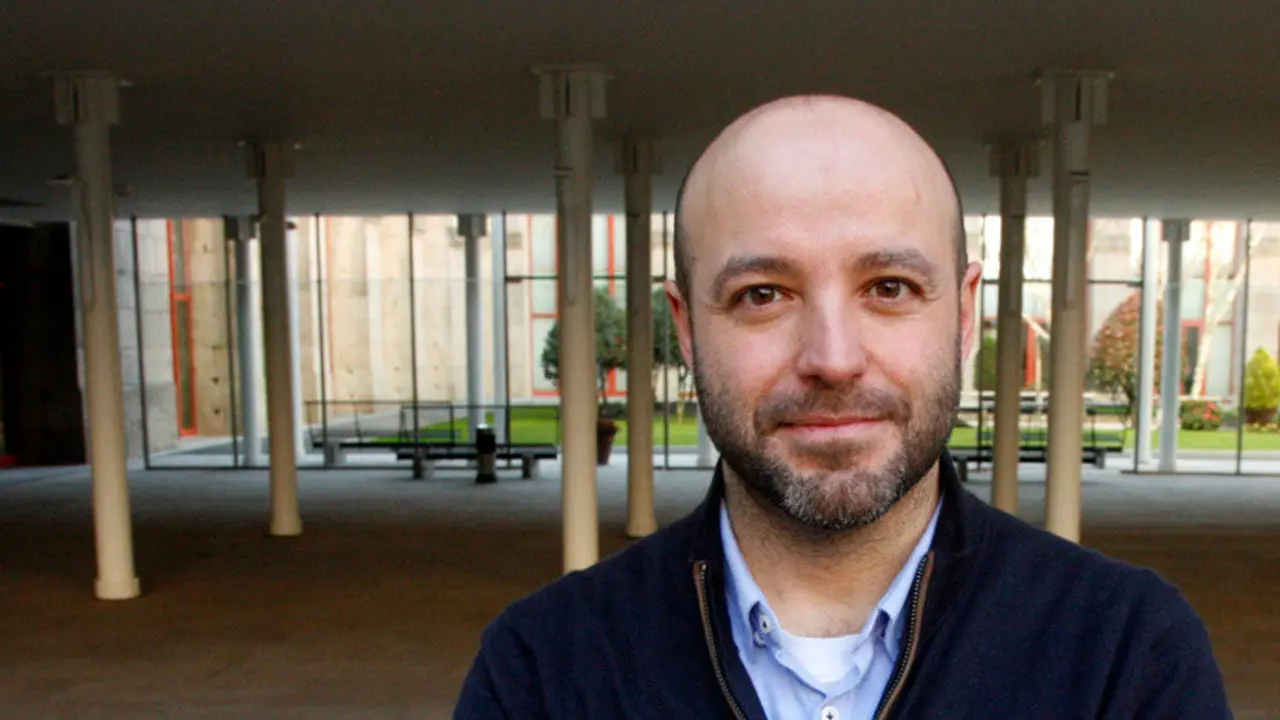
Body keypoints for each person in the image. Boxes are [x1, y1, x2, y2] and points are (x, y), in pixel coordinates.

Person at [454, 94, 1230, 719]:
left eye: (888, 288)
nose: (831, 356)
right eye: (763, 294)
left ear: (963, 318)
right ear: (686, 330)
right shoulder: (543, 670)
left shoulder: (1126, 654)